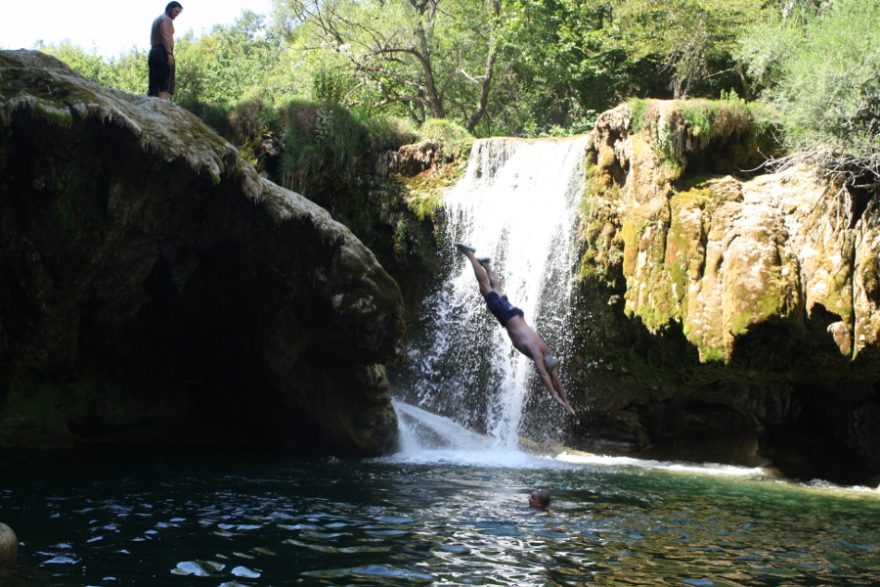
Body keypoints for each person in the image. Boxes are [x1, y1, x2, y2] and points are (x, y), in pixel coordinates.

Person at [456, 243, 576, 416]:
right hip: (508, 317)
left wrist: (566, 402)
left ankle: (487, 264)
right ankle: (470, 255)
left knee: (497, 290)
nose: (548, 370)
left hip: (515, 314)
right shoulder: (538, 351)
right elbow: (545, 376)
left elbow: (554, 377)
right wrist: (554, 395)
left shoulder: (545, 350)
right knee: (485, 287)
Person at [148, 2, 183, 100]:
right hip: (163, 52)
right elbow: (165, 35)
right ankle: (163, 109)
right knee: (165, 85)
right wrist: (169, 53)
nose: (177, 14)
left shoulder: (157, 19)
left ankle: (152, 108)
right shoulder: (166, 19)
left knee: (154, 85)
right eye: (176, 11)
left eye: (178, 13)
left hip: (154, 52)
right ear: (170, 8)